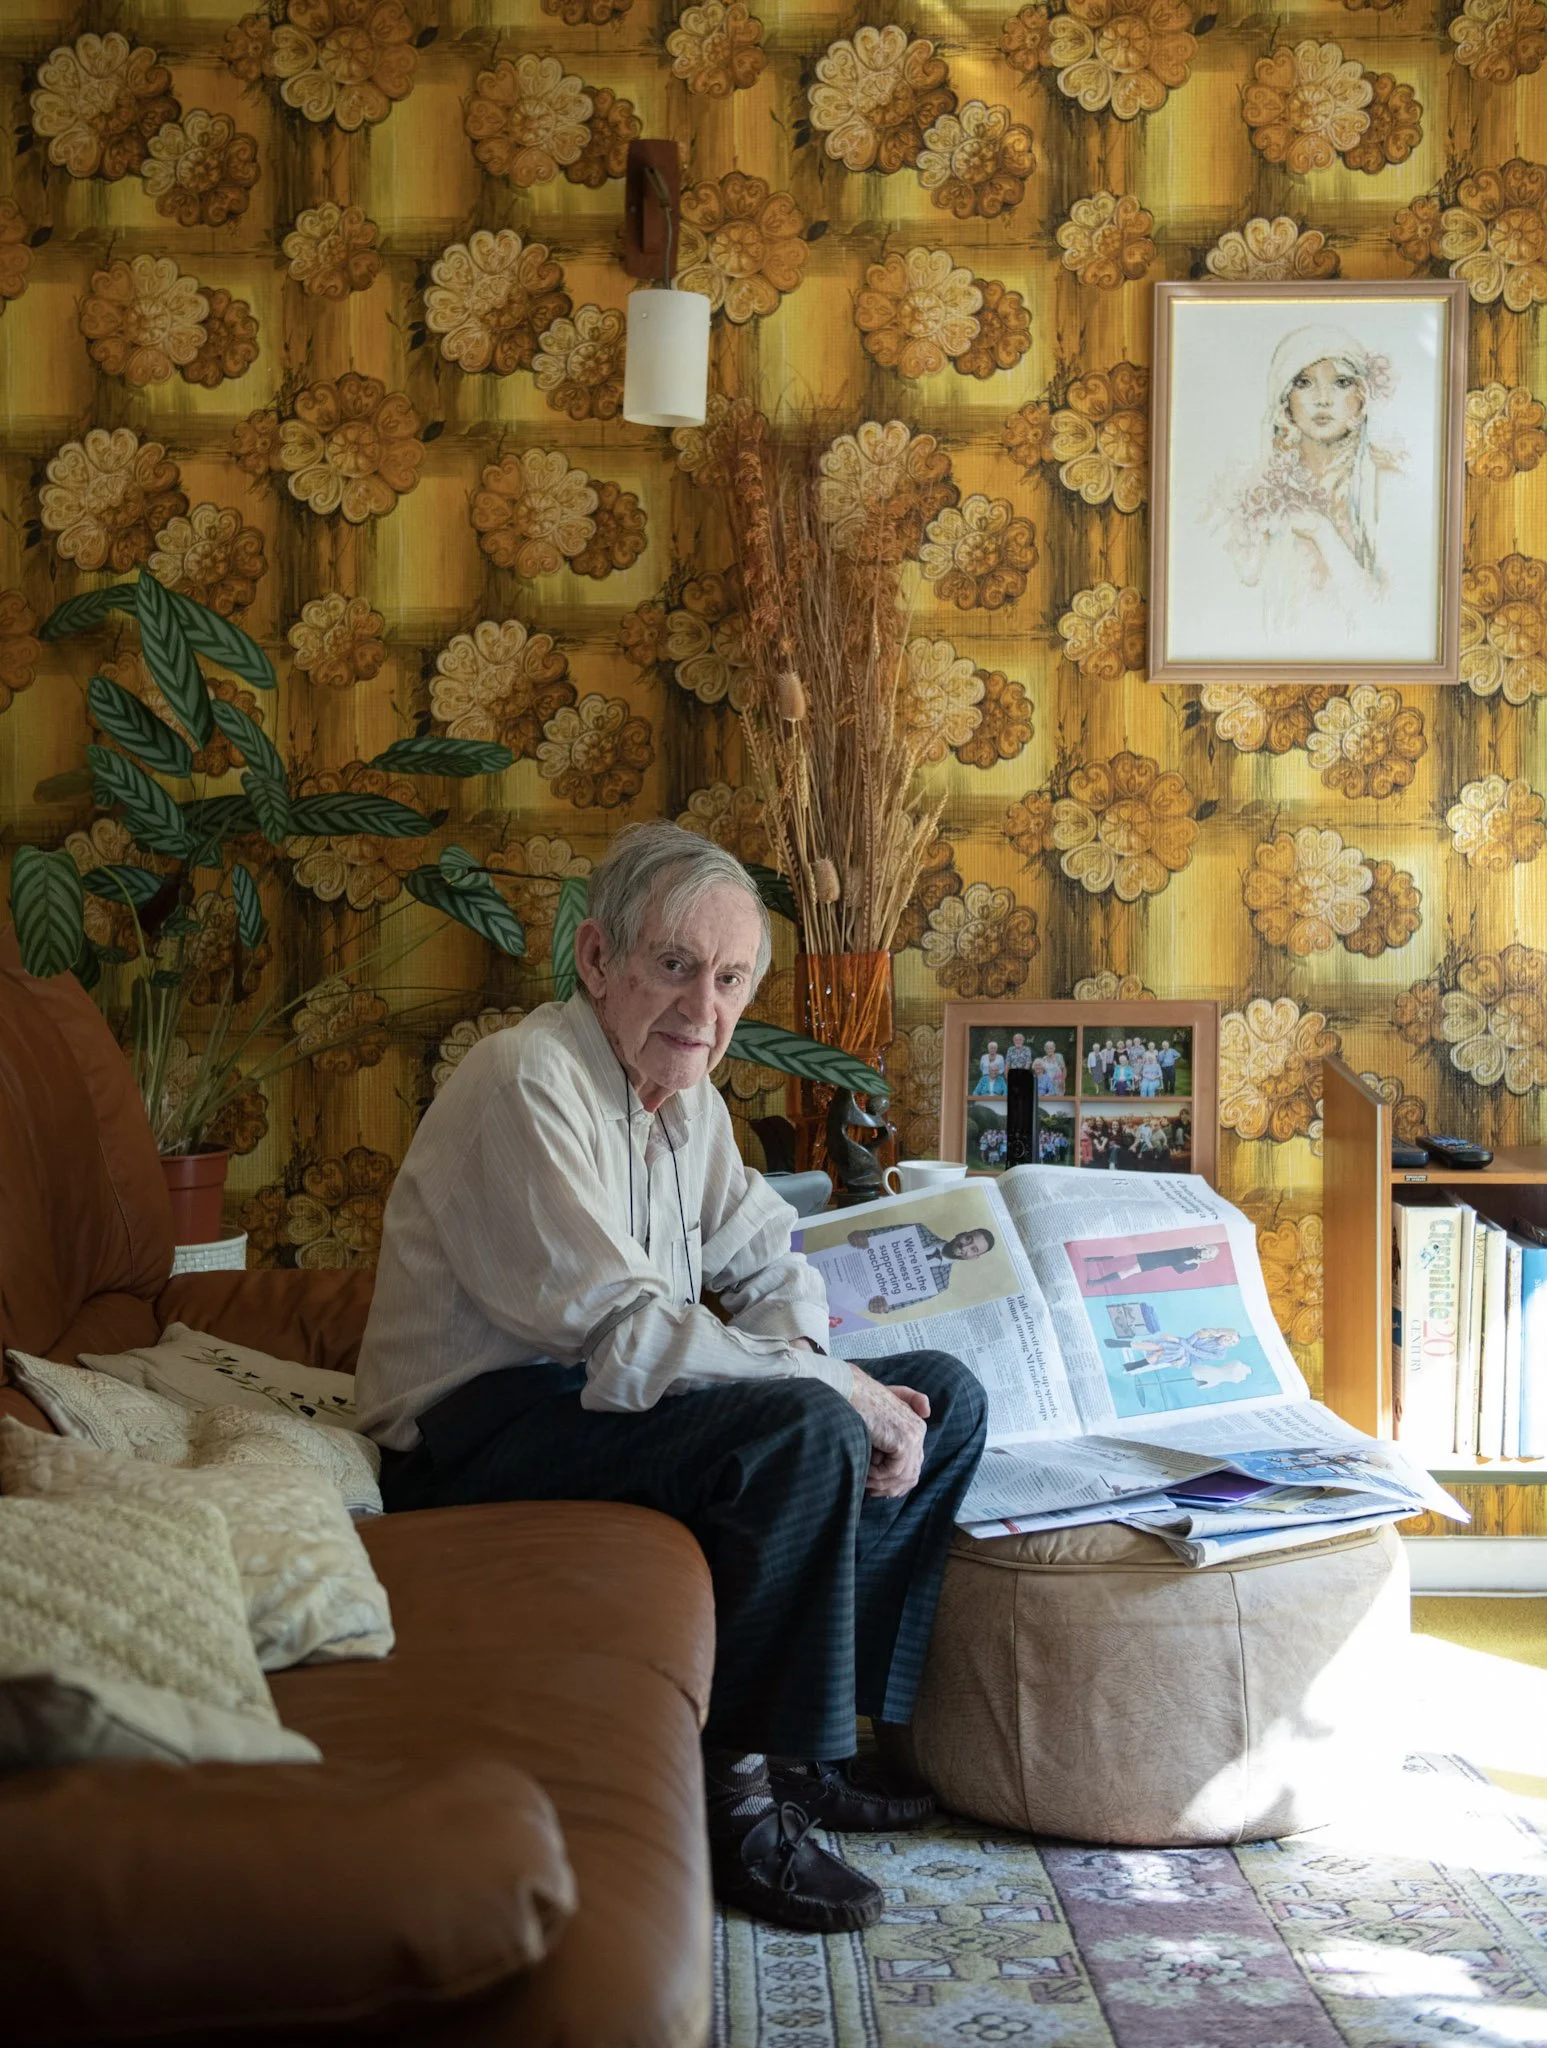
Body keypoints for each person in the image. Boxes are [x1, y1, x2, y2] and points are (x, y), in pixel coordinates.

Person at [355, 823, 988, 1936]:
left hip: (594, 1403)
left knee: (946, 1389)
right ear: (598, 958)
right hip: (472, 1435)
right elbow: (621, 1332)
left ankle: (807, 1751)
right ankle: (729, 1802)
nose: (705, 1006)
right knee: (806, 1424)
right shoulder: (525, 1079)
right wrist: (830, 1391)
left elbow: (768, 1259)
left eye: (731, 978)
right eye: (675, 965)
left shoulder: (683, 1098)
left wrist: (829, 1370)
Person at [1218, 325, 1404, 635]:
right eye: (1304, 383)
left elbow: (1389, 620)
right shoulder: (1254, 492)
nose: (1322, 399)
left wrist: (1321, 532)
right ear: (1285, 402)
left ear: (1361, 398)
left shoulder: (1386, 486)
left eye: (1341, 383)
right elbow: (1231, 604)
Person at [845, 1221, 997, 1314]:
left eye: (973, 1249)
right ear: (961, 1233)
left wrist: (882, 1306)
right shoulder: (918, 1230)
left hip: (854, 1295)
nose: (965, 1246)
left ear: (973, 1258)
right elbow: (871, 1235)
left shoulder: (939, 1284)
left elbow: (894, 1305)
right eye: (968, 1238)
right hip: (847, 1264)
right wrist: (861, 1236)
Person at [1084, 1242, 1222, 1287]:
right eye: (1209, 1250)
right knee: (1122, 1254)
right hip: (1155, 1250)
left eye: (1210, 1254)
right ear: (1206, 1246)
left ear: (1209, 1259)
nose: (1208, 1253)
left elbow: (1178, 1268)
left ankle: (1096, 1283)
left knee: (1128, 1271)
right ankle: (1093, 1258)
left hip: (1158, 1261)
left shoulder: (1195, 1265)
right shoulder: (1192, 1245)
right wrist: (1195, 1246)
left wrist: (1194, 1260)